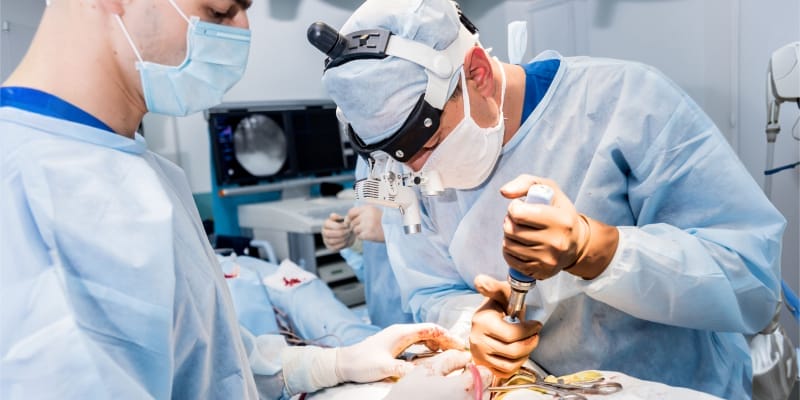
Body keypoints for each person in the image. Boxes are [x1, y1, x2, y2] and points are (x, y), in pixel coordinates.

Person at [0, 0, 490, 399]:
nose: (241, 31)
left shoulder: (138, 172)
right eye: (218, 12)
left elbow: (212, 366)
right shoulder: (33, 193)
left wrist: (332, 363)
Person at [315, 0, 787, 398]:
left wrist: (596, 250)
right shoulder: (403, 162)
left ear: (476, 73)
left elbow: (752, 283)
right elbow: (427, 287)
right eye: (400, 158)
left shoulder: (626, 103)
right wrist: (470, 321)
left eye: (429, 144)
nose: (419, 172)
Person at [321, 158, 415, 328]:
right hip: (385, 312)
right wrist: (352, 239)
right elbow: (375, 256)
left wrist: (392, 228)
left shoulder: (433, 148)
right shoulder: (366, 157)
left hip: (432, 314)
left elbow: (448, 240)